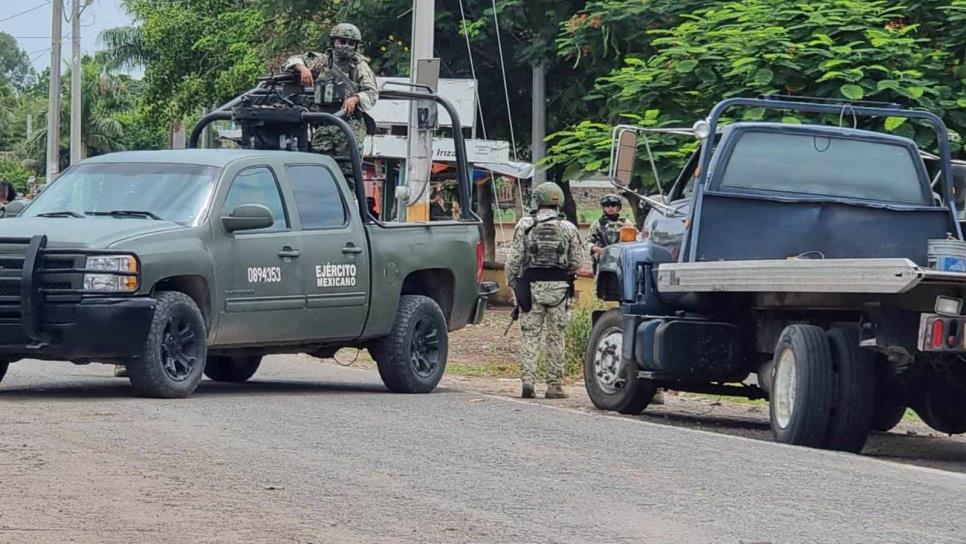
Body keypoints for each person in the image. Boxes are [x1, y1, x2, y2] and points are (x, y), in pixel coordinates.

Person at [505, 182, 582, 399]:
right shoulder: (568, 228)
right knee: (556, 337)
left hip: (531, 289)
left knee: (530, 336)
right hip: (560, 290)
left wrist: (513, 286)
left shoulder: (525, 225)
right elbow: (577, 261)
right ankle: (554, 386)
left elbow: (513, 260)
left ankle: (528, 382)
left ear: (537, 200)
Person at [284, 22, 378, 165]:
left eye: (351, 43)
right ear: (333, 42)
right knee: (319, 167)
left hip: (349, 124)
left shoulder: (360, 66)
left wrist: (355, 99)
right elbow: (293, 60)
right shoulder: (322, 61)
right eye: (342, 41)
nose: (346, 45)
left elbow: (371, 92)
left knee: (348, 171)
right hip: (324, 124)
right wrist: (302, 68)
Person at [588, 193, 629, 273]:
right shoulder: (597, 224)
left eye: (613, 205)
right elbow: (588, 242)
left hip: (622, 260)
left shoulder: (626, 223)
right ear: (603, 208)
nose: (610, 208)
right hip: (603, 260)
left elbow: (636, 240)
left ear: (618, 207)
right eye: (607, 205)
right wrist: (594, 248)